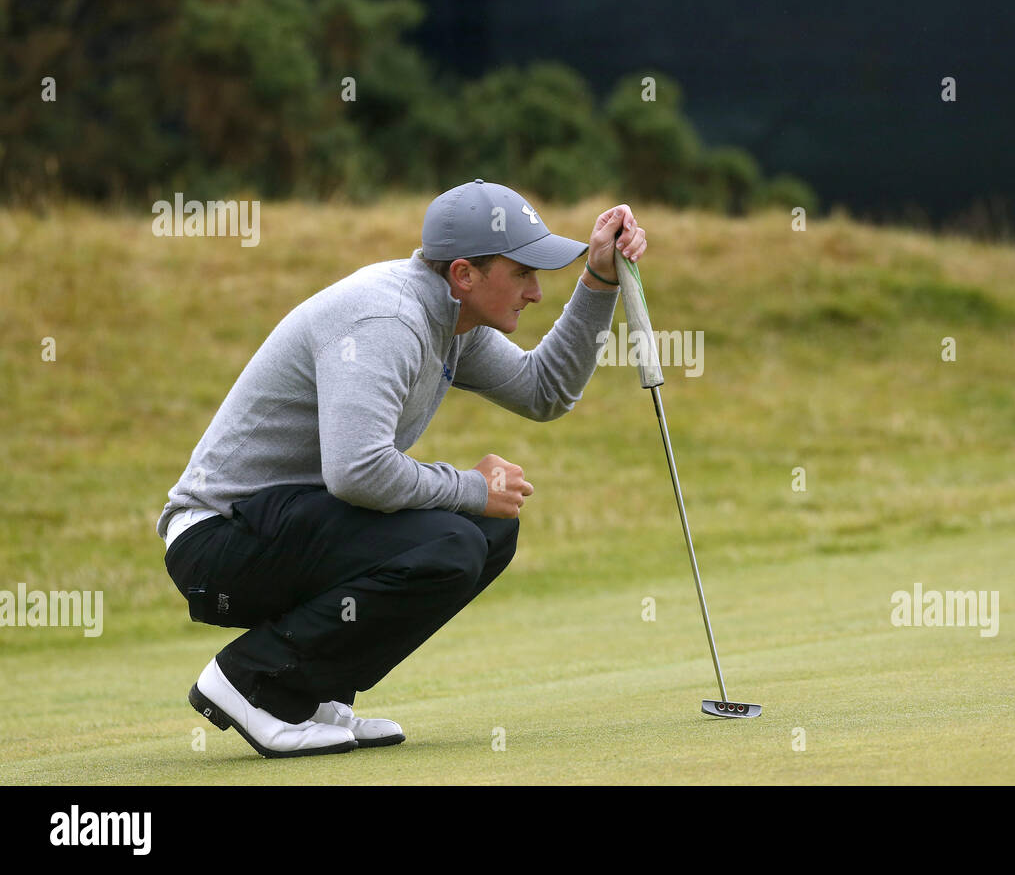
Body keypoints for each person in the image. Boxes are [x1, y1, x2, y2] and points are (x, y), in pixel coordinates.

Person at [156, 179, 648, 758]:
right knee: (453, 540)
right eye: (521, 274)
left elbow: (545, 390)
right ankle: (251, 682)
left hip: (284, 530)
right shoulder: (389, 317)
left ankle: (317, 692)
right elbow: (357, 473)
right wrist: (469, 486)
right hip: (216, 544)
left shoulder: (450, 317)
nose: (536, 292)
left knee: (489, 532)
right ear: (464, 273)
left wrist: (599, 279)